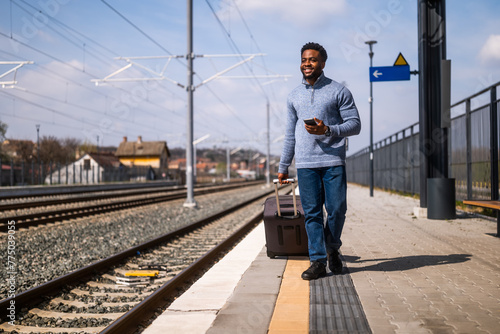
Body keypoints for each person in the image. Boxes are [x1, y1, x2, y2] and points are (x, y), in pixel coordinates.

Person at [277, 42, 361, 280]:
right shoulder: (293, 96)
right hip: (305, 165)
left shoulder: (339, 91)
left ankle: (332, 246)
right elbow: (290, 135)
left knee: (337, 210)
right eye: (304, 60)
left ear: (323, 63)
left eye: (312, 60)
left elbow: (355, 125)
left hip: (333, 160)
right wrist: (284, 167)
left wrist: (328, 130)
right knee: (312, 214)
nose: (307, 64)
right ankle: (317, 261)